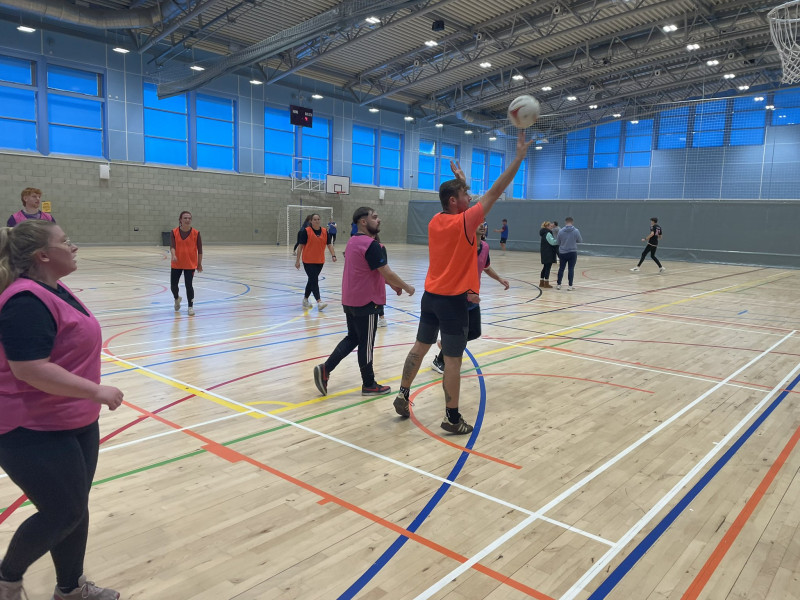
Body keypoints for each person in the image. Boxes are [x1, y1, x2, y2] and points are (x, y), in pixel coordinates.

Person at [0, 220, 123, 600]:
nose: (73, 246)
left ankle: (70, 588)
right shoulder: (24, 301)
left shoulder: (55, 288)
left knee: (73, 509)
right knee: (62, 512)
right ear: (43, 255)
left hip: (73, 419)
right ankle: (6, 580)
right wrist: (96, 391)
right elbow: (30, 369)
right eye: (65, 241)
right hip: (30, 428)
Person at [393, 131, 532, 435]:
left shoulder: (436, 221)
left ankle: (402, 394)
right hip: (454, 303)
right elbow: (496, 191)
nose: (472, 199)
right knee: (453, 360)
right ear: (454, 201)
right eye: (466, 196)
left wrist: (462, 181)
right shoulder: (465, 222)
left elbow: (462, 201)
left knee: (420, 346)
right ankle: (452, 417)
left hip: (430, 297)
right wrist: (519, 158)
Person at [313, 207, 414, 397]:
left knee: (353, 338)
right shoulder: (371, 245)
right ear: (363, 221)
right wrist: (406, 286)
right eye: (374, 217)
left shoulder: (353, 242)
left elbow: (373, 271)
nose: (379, 220)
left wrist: (392, 285)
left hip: (350, 300)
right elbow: (386, 272)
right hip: (367, 302)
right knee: (366, 344)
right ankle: (369, 384)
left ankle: (325, 369)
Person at [430, 221, 509, 374]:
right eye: (477, 223)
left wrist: (499, 278)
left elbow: (486, 267)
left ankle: (446, 344)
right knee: (461, 333)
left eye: (484, 223)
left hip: (473, 297)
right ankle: (439, 360)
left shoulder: (485, 247)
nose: (482, 225)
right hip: (457, 297)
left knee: (474, 332)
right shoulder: (462, 246)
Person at [295, 213, 336, 310]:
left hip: (320, 261)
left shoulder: (325, 231)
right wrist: (297, 261)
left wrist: (333, 255)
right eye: (314, 219)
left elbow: (329, 245)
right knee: (314, 279)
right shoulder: (306, 231)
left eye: (318, 219)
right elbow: (300, 247)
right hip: (308, 261)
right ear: (311, 221)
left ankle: (305, 299)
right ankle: (319, 301)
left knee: (311, 280)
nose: (317, 221)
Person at [171, 211, 203, 316]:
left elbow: (200, 250)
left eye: (189, 218)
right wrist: (173, 255)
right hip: (177, 263)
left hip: (190, 264)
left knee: (189, 285)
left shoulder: (196, 233)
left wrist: (199, 264)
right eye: (185, 218)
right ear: (180, 220)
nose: (187, 220)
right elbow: (172, 246)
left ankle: (190, 307)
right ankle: (177, 298)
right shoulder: (174, 232)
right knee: (173, 286)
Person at [555, 217, 583, 291]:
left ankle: (558, 285)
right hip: (572, 252)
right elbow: (580, 240)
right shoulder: (576, 231)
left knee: (561, 268)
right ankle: (570, 286)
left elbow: (558, 242)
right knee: (571, 269)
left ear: (565, 222)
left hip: (562, 252)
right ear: (572, 222)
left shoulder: (561, 231)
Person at [539, 221, 558, 288]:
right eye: (550, 226)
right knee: (548, 268)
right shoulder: (548, 233)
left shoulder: (543, 233)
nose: (551, 227)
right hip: (548, 253)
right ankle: (546, 283)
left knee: (545, 267)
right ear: (547, 226)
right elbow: (552, 242)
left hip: (544, 252)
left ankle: (541, 282)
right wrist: (559, 241)